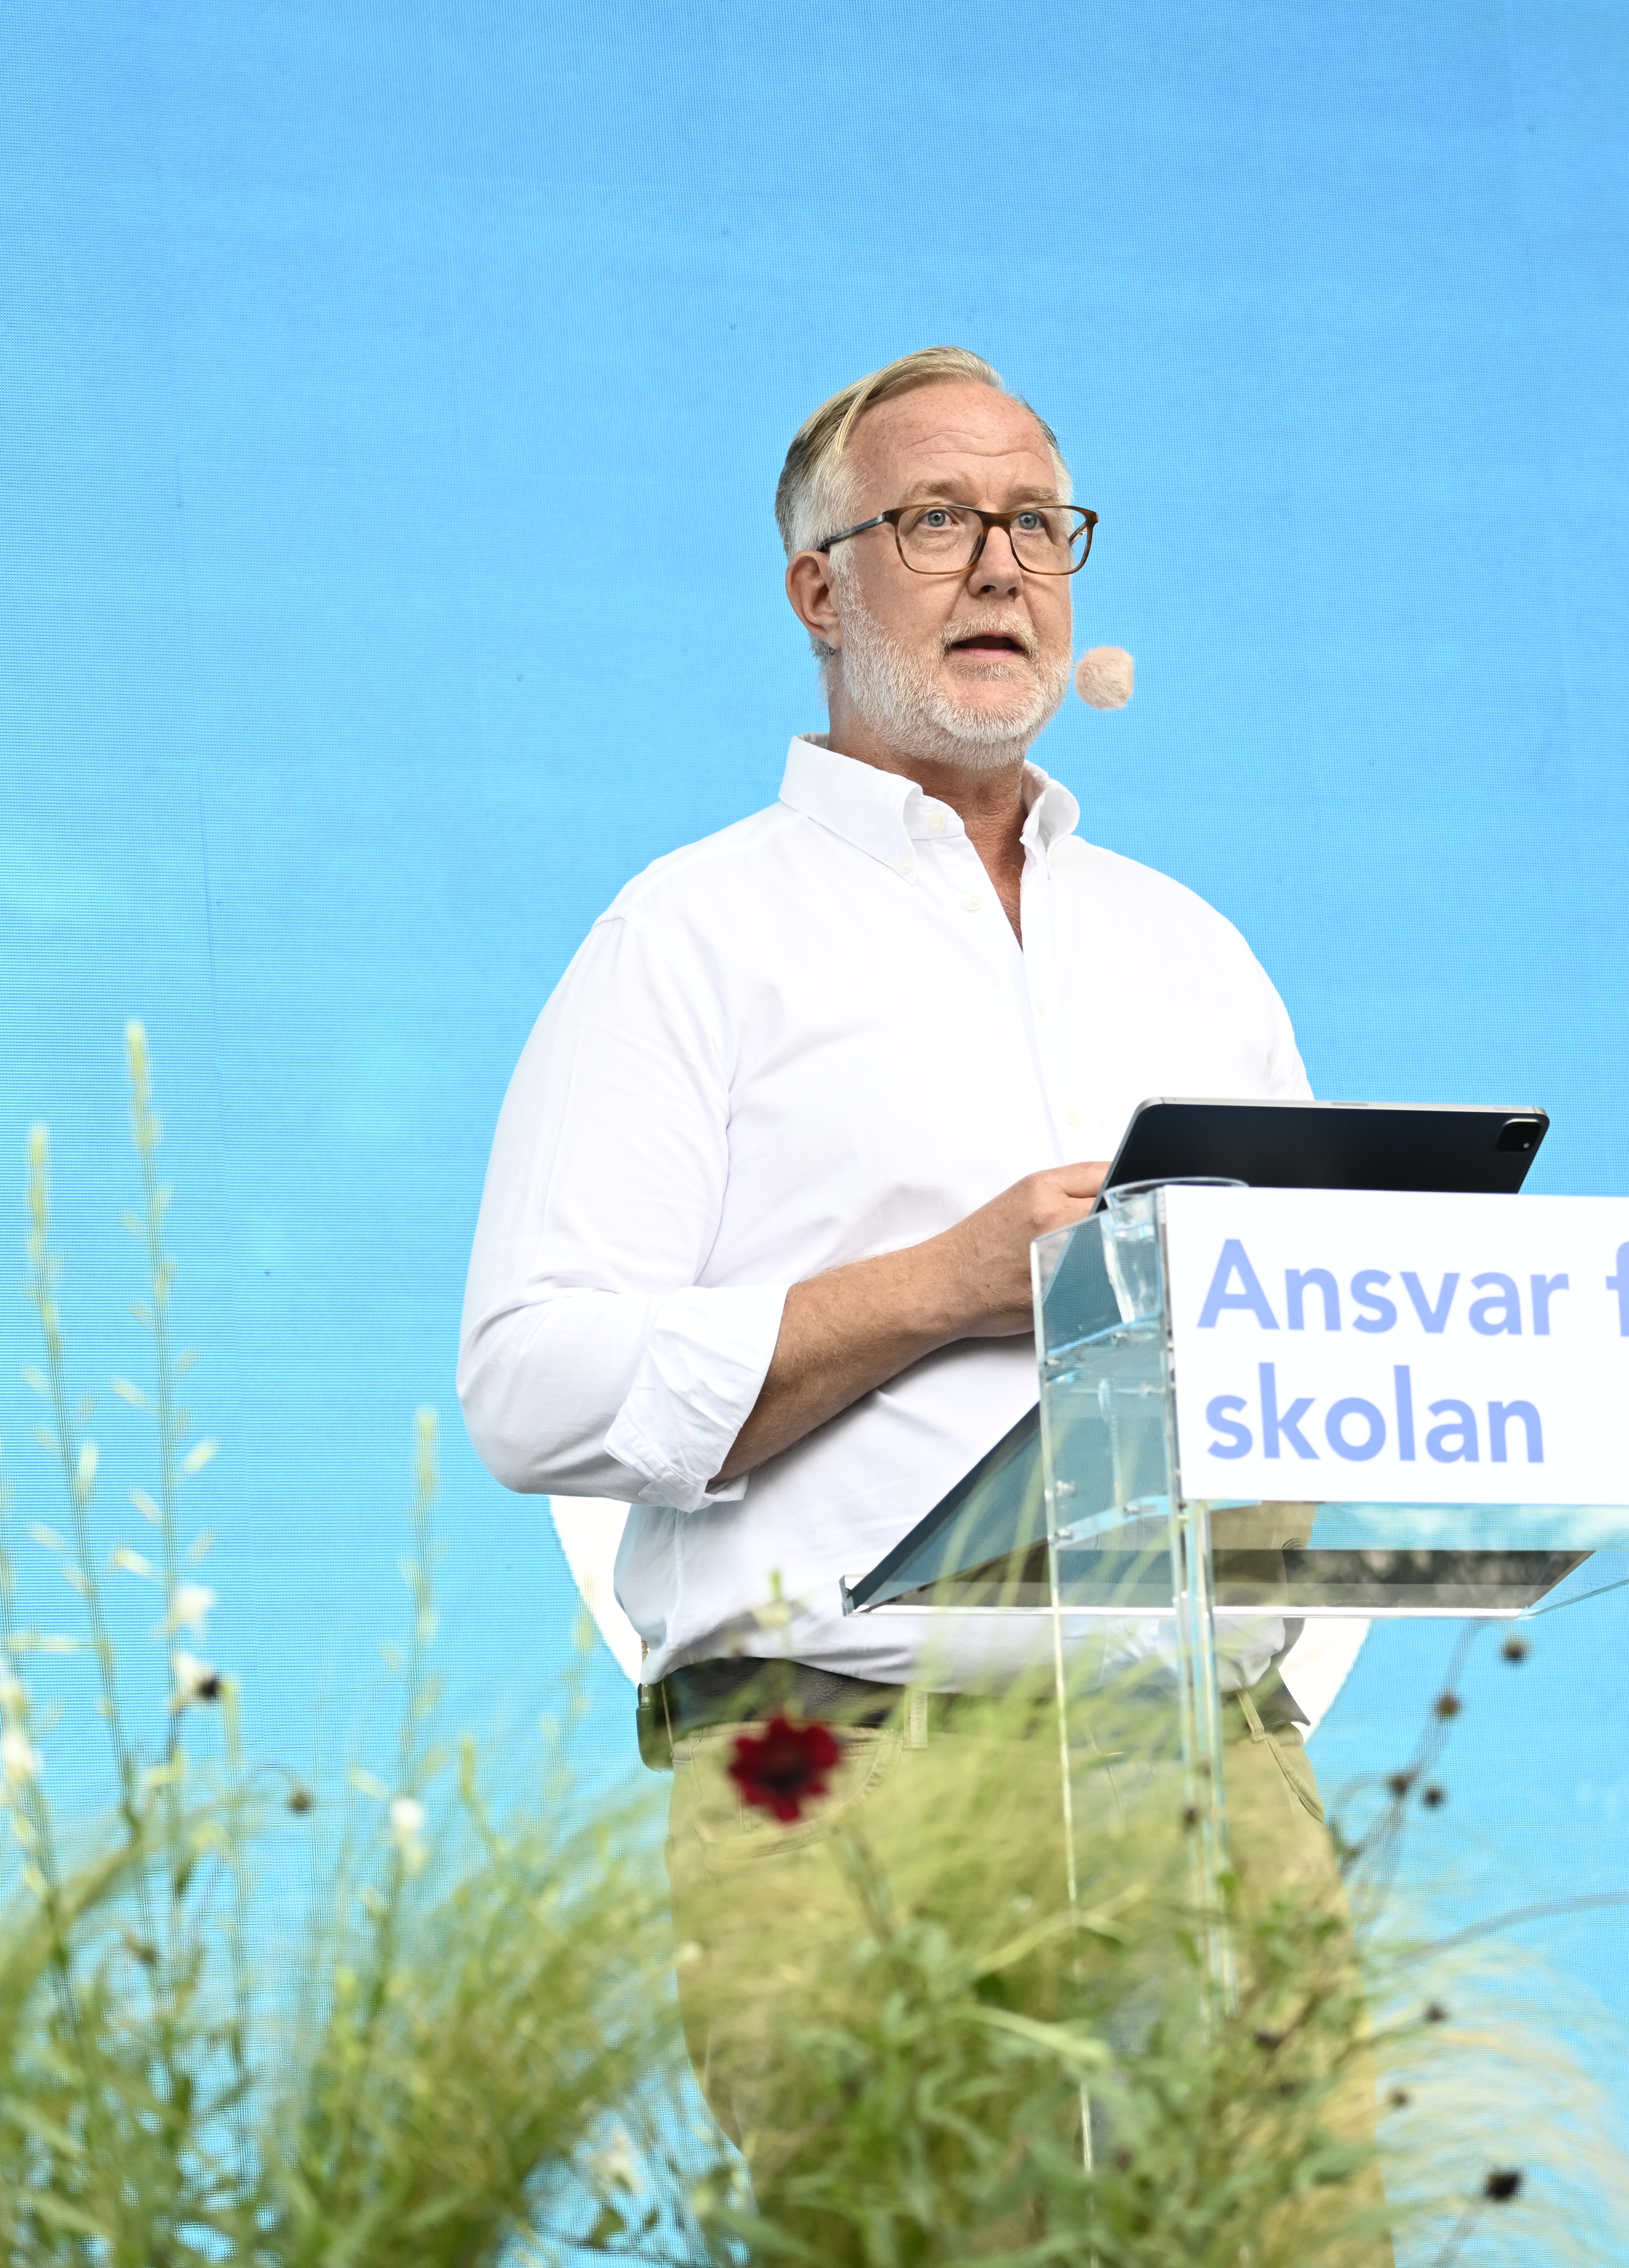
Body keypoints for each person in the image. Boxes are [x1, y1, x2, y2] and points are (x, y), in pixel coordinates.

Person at [456, 345, 1340, 2149]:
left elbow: (1310, 1363)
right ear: (818, 588)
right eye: (937, 519)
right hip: (852, 1785)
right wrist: (941, 1289)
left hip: (1211, 1784)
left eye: (1038, 520)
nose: (1003, 563)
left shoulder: (1195, 953)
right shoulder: (690, 937)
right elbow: (531, 1384)